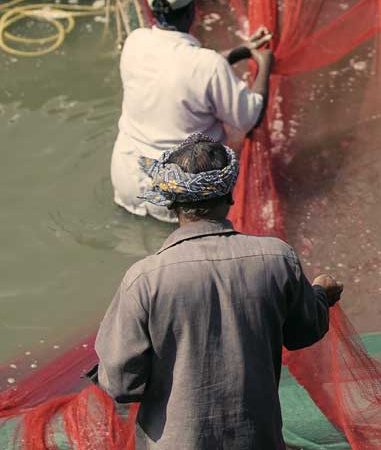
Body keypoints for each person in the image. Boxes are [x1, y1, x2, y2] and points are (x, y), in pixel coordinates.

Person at [95, 133, 342, 449]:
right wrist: (321, 295)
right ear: (229, 196)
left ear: (171, 203)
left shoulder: (144, 279)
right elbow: (303, 332)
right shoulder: (276, 259)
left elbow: (121, 384)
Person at [111, 0, 274, 223]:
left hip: (127, 180)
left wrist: (240, 52)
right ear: (191, 12)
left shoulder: (135, 42)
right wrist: (265, 65)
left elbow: (178, 72)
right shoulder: (207, 65)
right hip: (177, 195)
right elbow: (249, 117)